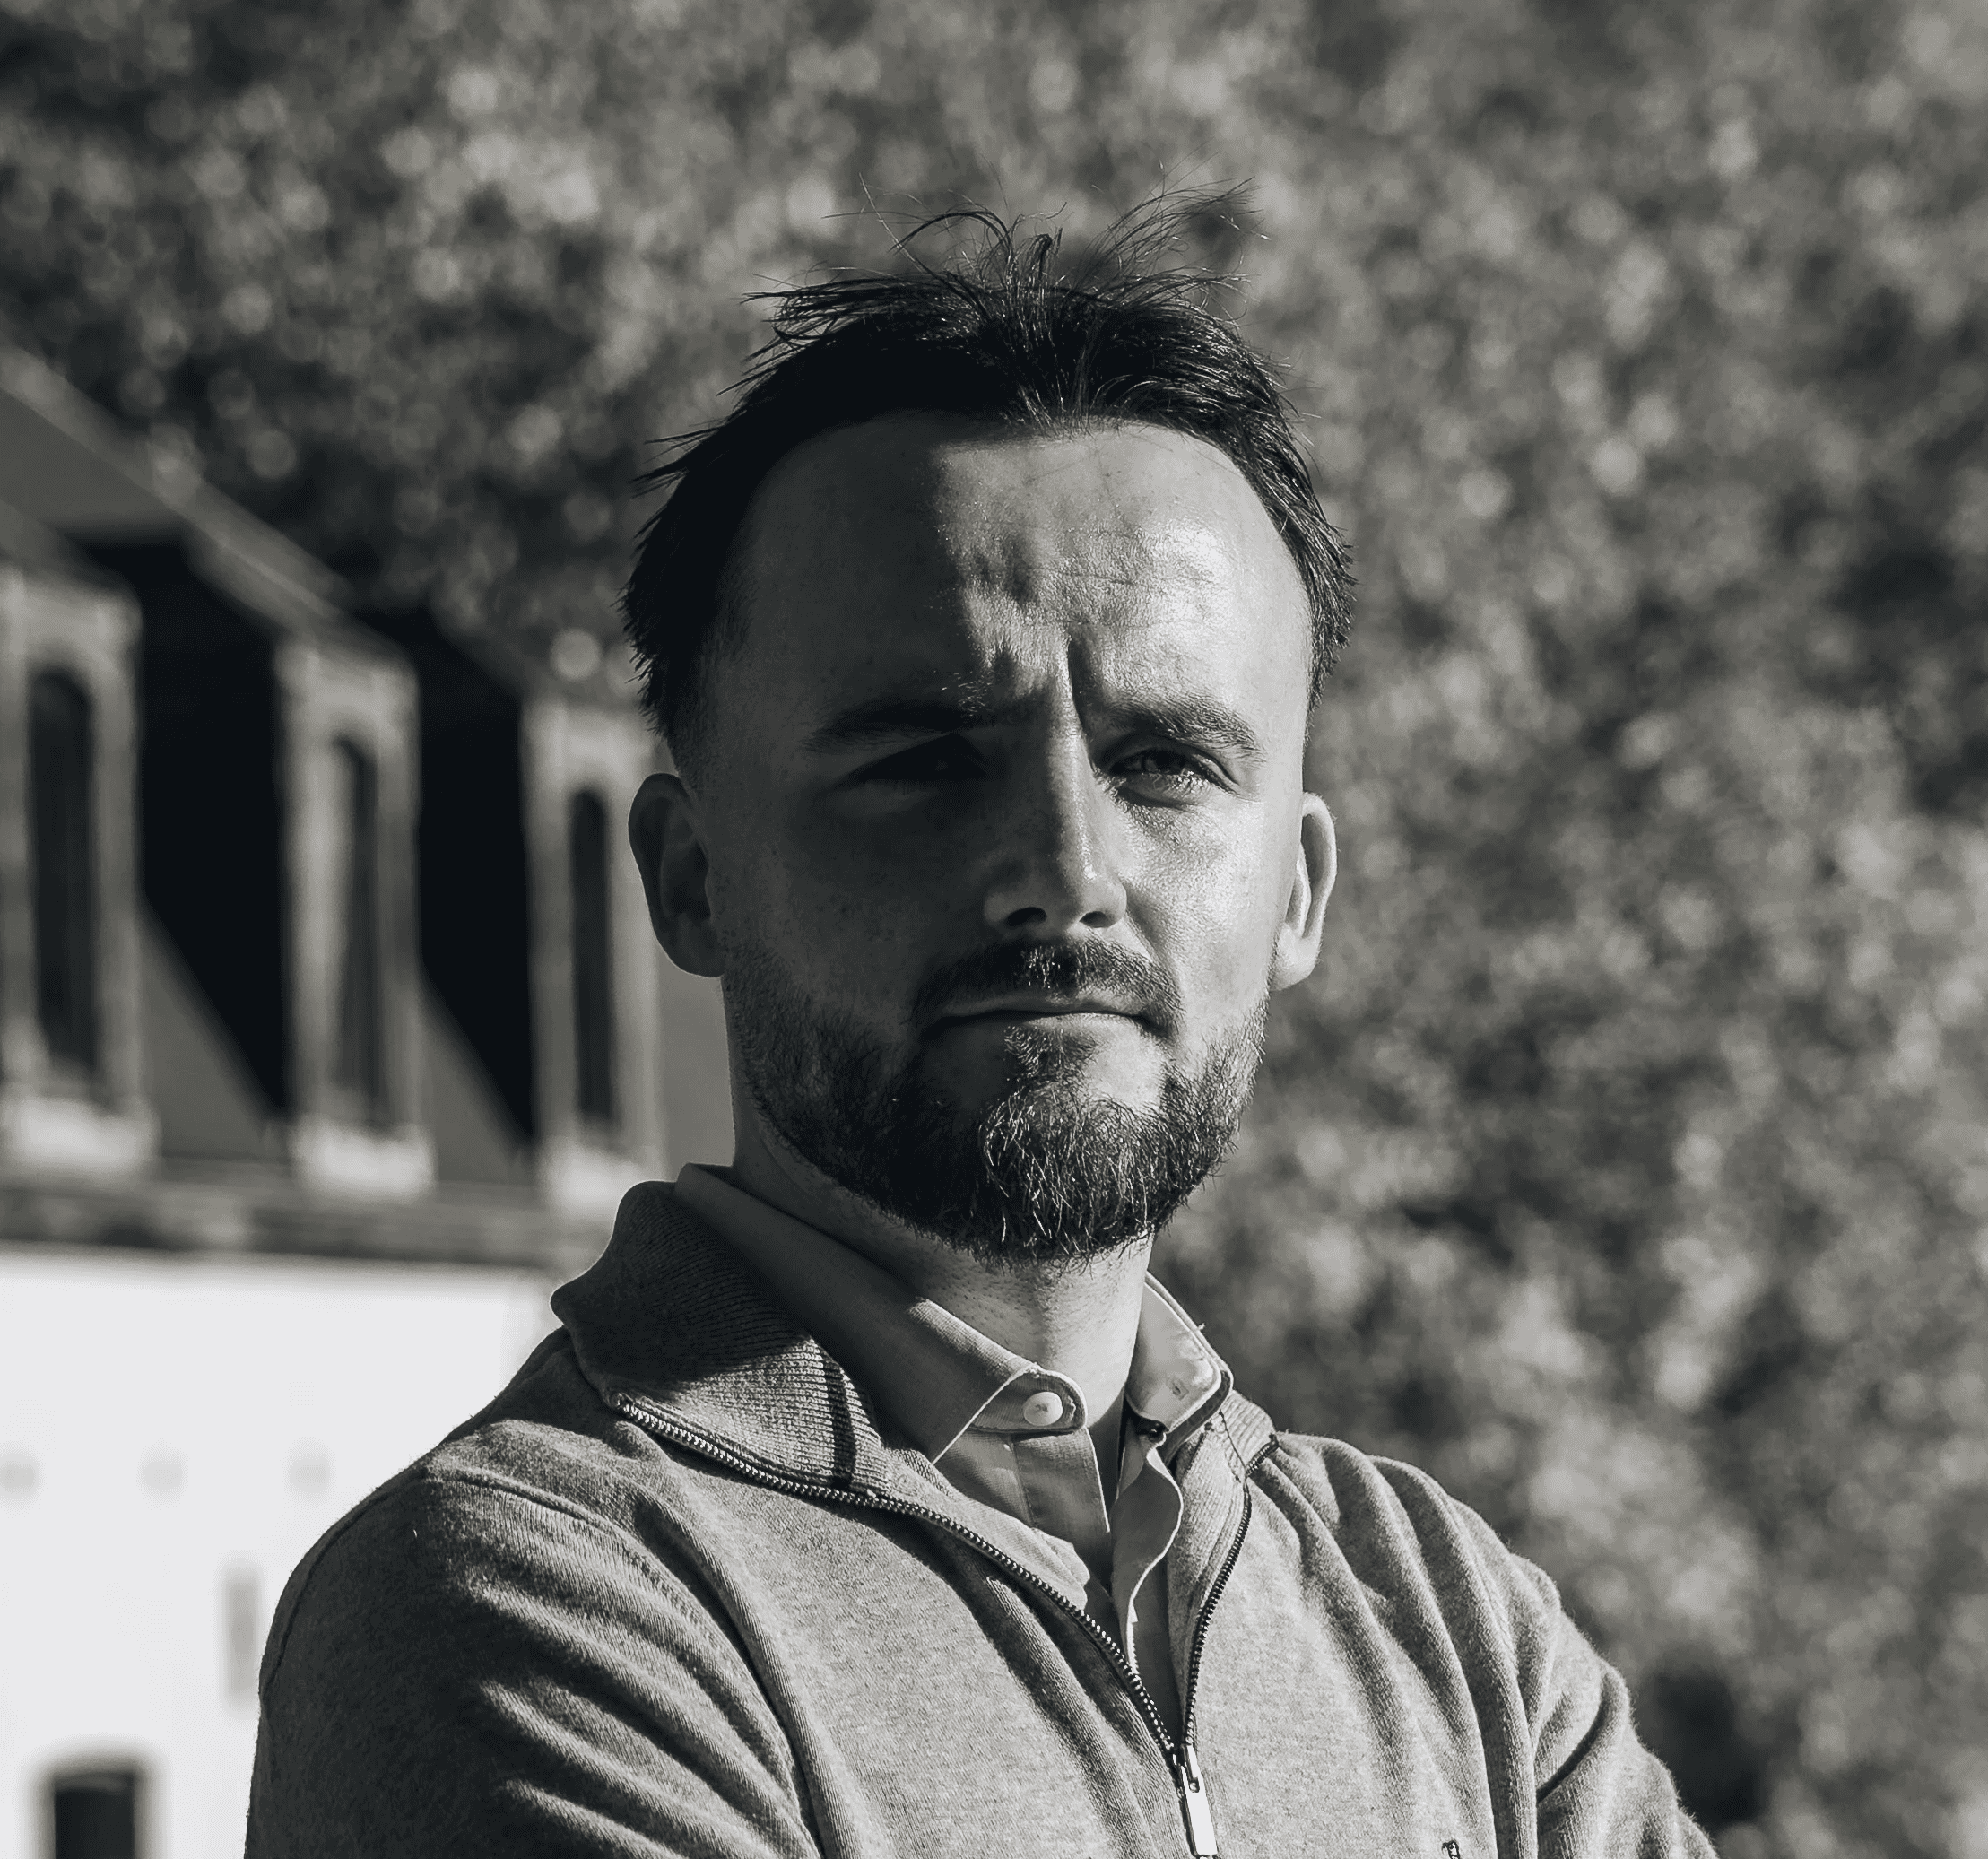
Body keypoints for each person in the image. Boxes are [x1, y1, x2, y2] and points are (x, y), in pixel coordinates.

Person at [246, 205, 1711, 1857]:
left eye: (1166, 762)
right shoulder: (528, 1614)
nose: (1065, 876)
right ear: (689, 877)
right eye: (927, 758)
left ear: (1297, 893)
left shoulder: (1455, 1637)